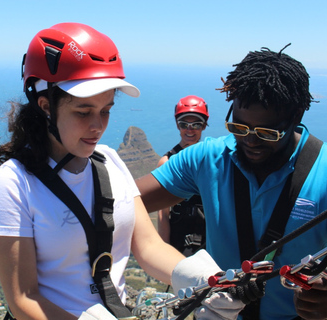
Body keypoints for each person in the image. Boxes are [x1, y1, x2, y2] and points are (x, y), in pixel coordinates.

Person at [0, 22, 244, 320]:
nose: (97, 127)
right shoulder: (14, 182)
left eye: (106, 110)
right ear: (45, 106)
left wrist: (208, 281)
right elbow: (23, 299)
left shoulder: (109, 161)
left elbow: (148, 246)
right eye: (83, 111)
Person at [137, 45, 327, 320]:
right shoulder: (208, 159)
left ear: (296, 116)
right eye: (239, 127)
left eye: (266, 133)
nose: (250, 141)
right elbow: (124, 201)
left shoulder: (321, 173)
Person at [157, 95, 208, 256]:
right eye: (184, 124)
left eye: (196, 124)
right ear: (177, 125)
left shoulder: (211, 158)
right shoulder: (167, 163)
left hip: (210, 238)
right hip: (181, 241)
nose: (189, 129)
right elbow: (162, 214)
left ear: (204, 126)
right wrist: (164, 252)